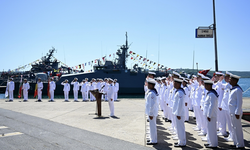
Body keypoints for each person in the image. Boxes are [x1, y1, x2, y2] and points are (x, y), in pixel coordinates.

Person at [228, 74, 245, 149]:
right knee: (233, 128)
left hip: (235, 113)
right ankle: (235, 143)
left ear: (235, 81)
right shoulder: (233, 88)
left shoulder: (238, 90)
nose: (229, 80)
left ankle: (240, 145)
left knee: (237, 129)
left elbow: (239, 103)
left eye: (231, 79)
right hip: (232, 112)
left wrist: (237, 113)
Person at [203, 80, 218, 148]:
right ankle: (210, 142)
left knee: (212, 130)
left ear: (209, 85)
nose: (205, 86)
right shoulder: (210, 93)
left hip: (211, 115)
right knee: (209, 129)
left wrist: (209, 115)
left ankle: (213, 144)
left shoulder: (212, 94)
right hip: (209, 115)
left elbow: (211, 106)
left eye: (206, 85)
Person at [172, 78, 186, 147]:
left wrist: (178, 113)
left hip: (179, 113)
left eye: (174, 83)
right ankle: (180, 141)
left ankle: (182, 142)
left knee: (180, 128)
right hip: (178, 113)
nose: (173, 84)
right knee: (178, 128)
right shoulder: (178, 91)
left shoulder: (180, 92)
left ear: (178, 84)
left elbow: (180, 104)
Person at [145, 78, 159, 145]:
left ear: (151, 85)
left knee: (152, 126)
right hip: (151, 112)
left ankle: (153, 140)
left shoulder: (152, 93)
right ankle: (152, 139)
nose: (147, 85)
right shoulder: (151, 92)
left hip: (152, 113)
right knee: (151, 126)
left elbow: (152, 105)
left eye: (148, 84)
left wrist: (150, 113)